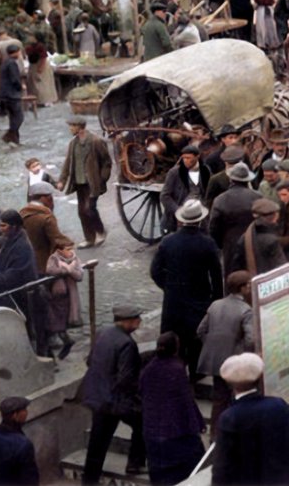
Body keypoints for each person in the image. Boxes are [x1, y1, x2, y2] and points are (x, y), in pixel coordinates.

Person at [150, 199, 223, 374]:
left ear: (181, 220)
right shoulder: (207, 243)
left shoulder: (168, 241)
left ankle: (174, 374)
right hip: (199, 299)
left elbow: (155, 271)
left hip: (173, 301)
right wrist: (215, 300)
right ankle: (195, 376)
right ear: (200, 220)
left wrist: (168, 287)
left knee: (174, 340)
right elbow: (216, 276)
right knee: (196, 339)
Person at [213, 353, 289, 485]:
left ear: (230, 384)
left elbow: (222, 469)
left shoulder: (229, 417)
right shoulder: (278, 405)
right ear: (259, 378)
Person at [82, 305, 146, 484]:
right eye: (136, 318)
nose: (139, 321)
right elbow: (126, 379)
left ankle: (89, 480)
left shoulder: (102, 333)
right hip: (115, 401)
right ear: (127, 321)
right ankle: (135, 463)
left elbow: (90, 361)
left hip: (98, 395)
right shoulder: (127, 344)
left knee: (97, 442)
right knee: (142, 422)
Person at [140, 332, 205, 485]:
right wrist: (198, 424)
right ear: (176, 348)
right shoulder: (177, 369)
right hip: (175, 431)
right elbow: (186, 401)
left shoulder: (148, 368)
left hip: (153, 430)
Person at [195, 271, 254, 434]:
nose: (250, 288)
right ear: (242, 288)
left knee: (219, 399)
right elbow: (250, 340)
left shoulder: (215, 305)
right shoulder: (246, 310)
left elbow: (200, 331)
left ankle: (215, 434)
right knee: (237, 397)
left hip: (214, 360)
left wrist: (214, 346)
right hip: (234, 362)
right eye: (248, 285)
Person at [58, 117, 113, 249]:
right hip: (79, 182)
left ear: (79, 127)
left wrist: (102, 179)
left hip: (92, 183)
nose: (70, 129)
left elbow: (107, 162)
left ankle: (100, 231)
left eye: (72, 126)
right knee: (82, 211)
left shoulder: (95, 141)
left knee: (89, 209)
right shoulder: (73, 143)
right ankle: (89, 238)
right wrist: (62, 180)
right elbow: (68, 163)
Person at [0, 209, 38, 316]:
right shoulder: (14, 237)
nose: (0, 229)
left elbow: (9, 280)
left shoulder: (22, 248)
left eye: (3, 226)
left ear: (14, 227)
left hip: (19, 298)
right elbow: (1, 240)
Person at [160, 145, 210, 235]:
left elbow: (210, 192)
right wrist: (178, 211)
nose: (185, 161)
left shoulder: (205, 170)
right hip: (181, 213)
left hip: (199, 212)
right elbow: (164, 196)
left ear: (197, 157)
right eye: (184, 158)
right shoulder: (174, 173)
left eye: (188, 158)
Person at [0, 42, 25, 146]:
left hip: (5, 94)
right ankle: (10, 135)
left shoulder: (5, 62)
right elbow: (15, 79)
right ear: (16, 52)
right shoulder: (12, 64)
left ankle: (15, 139)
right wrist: (20, 87)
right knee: (18, 117)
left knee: (13, 117)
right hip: (11, 94)